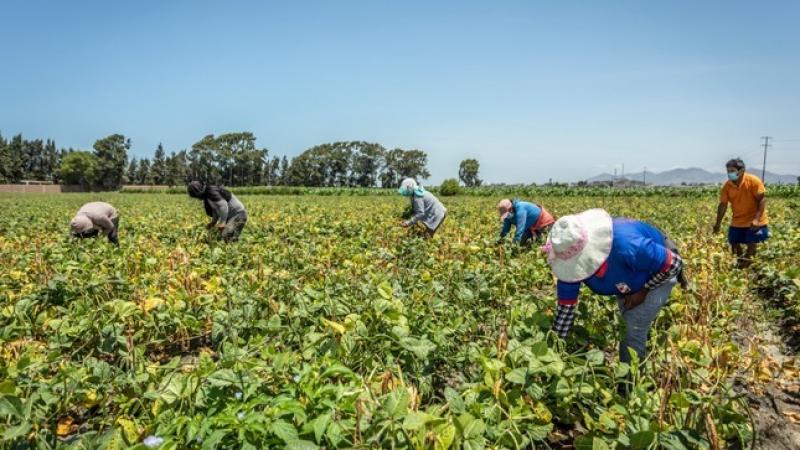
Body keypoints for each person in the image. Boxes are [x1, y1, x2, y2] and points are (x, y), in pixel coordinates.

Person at [541, 209, 683, 365]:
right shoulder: (568, 261)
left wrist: (643, 291)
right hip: (626, 279)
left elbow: (674, 264)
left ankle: (629, 384)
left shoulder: (628, 245)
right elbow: (565, 312)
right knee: (628, 321)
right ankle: (639, 351)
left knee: (632, 328)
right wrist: (551, 354)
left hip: (657, 273)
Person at [712, 158, 768, 268]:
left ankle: (745, 268)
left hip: (755, 219)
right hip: (738, 220)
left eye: (732, 171)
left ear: (741, 170)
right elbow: (723, 205)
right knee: (734, 243)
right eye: (728, 171)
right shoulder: (727, 186)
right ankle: (741, 263)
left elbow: (762, 200)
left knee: (752, 245)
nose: (729, 174)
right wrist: (717, 223)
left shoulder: (753, 181)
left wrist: (757, 219)